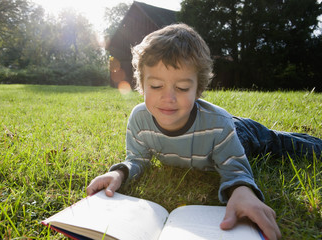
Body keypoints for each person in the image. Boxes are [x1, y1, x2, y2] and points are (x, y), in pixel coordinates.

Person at [87, 23, 322, 240]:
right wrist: (119, 174)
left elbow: (235, 169)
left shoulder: (219, 125)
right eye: (156, 86)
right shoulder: (139, 119)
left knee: (277, 142)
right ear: (141, 85)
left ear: (198, 90)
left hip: (240, 133)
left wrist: (242, 191)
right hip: (221, 128)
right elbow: (137, 159)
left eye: (181, 87)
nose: (168, 98)